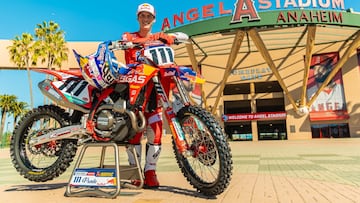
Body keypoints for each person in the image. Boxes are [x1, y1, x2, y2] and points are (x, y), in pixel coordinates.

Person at [121, 3, 175, 188]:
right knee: (135, 134)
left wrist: (169, 38)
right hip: (136, 91)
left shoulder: (158, 37)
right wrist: (132, 42)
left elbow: (170, 41)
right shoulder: (129, 36)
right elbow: (123, 41)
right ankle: (135, 172)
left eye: (149, 16)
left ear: (154, 19)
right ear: (138, 18)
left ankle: (150, 171)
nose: (145, 19)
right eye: (142, 16)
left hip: (155, 90)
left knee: (156, 133)